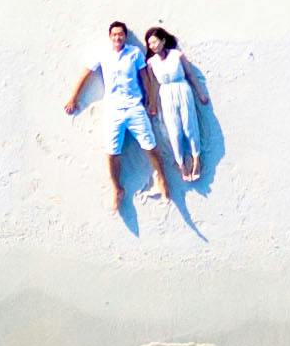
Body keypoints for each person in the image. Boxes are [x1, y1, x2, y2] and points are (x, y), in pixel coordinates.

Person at [63, 21, 168, 213]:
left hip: (135, 107)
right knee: (112, 153)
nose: (118, 37)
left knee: (150, 146)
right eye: (114, 35)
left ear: (125, 36)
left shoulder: (134, 53)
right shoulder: (102, 54)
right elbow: (86, 74)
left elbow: (146, 78)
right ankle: (117, 189)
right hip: (113, 110)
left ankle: (161, 179)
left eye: (121, 34)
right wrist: (73, 98)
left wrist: (151, 100)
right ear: (110, 36)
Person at [140, 25, 210, 186]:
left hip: (182, 90)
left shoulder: (177, 55)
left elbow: (190, 75)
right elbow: (153, 85)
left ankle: (196, 158)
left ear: (163, 41)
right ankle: (181, 164)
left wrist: (200, 93)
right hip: (165, 94)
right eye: (150, 44)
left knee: (189, 126)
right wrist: (152, 103)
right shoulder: (151, 63)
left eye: (155, 42)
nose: (153, 46)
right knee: (174, 130)